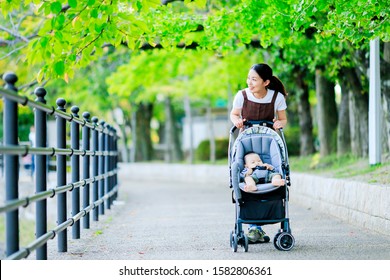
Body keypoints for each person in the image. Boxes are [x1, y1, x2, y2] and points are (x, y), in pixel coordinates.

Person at [230, 63, 288, 244]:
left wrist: (280, 124)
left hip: (268, 141)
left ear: (266, 82)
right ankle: (255, 228)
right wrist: (237, 121)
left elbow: (283, 119)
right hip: (247, 142)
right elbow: (234, 114)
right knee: (249, 174)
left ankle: (258, 228)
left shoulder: (276, 97)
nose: (250, 82)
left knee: (268, 172)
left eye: (254, 79)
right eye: (248, 78)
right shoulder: (242, 95)